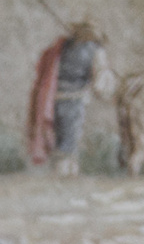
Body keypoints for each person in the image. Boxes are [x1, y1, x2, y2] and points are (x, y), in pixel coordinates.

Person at [27, 22, 113, 175]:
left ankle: (63, 174)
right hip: (74, 100)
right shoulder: (94, 50)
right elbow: (100, 84)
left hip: (52, 101)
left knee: (59, 140)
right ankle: (65, 177)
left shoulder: (62, 48)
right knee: (68, 143)